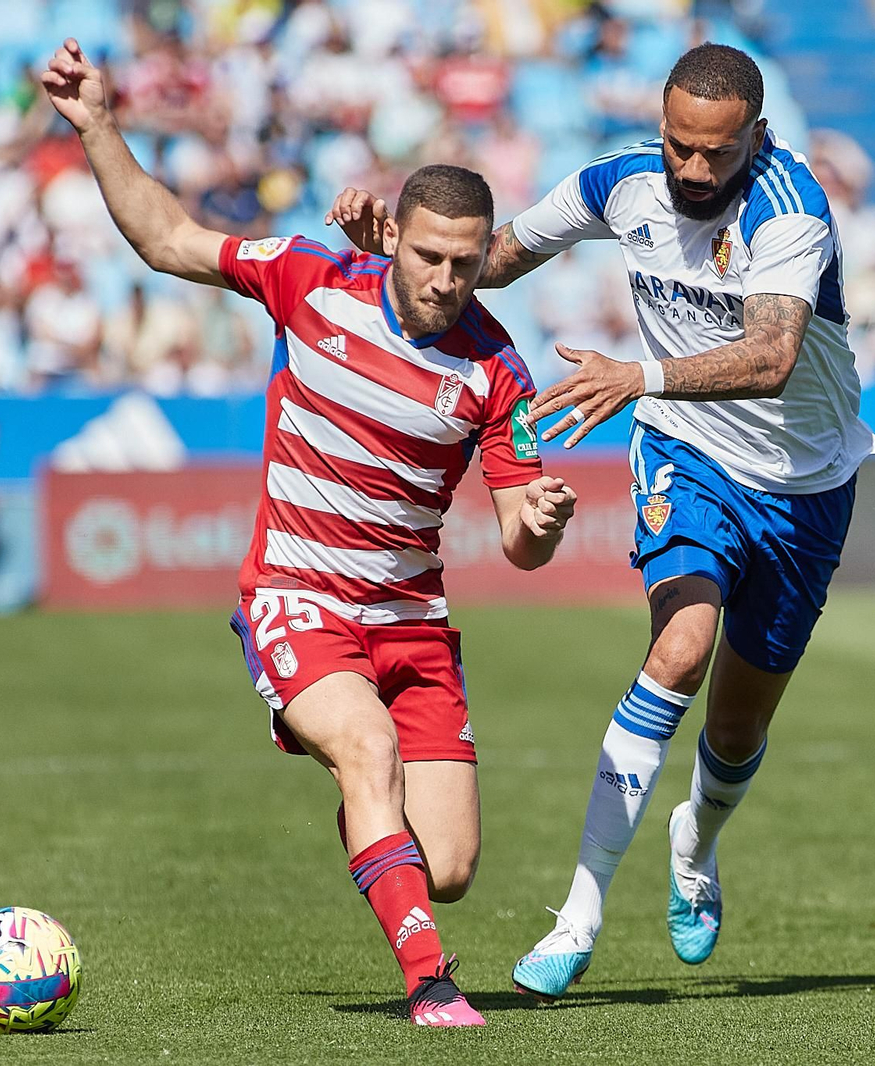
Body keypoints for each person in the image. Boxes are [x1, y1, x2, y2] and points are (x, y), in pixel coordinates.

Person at [43, 38, 577, 1028]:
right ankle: (430, 983)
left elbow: (519, 536)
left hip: (412, 620)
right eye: (429, 256)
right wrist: (100, 127)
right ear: (396, 238)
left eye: (467, 264)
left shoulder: (499, 370)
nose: (447, 279)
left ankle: (369, 816)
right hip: (298, 596)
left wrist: (539, 520)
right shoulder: (309, 276)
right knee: (366, 747)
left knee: (448, 863)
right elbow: (169, 239)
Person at [332, 41, 875, 999]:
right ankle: (577, 916)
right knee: (680, 652)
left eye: (717, 153)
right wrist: (396, 249)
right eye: (679, 147)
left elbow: (772, 358)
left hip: (806, 484)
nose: (695, 170)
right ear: (659, 130)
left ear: (760, 137)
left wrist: (637, 376)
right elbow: (491, 263)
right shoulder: (616, 183)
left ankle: (697, 844)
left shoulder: (790, 208)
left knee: (740, 729)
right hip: (689, 452)